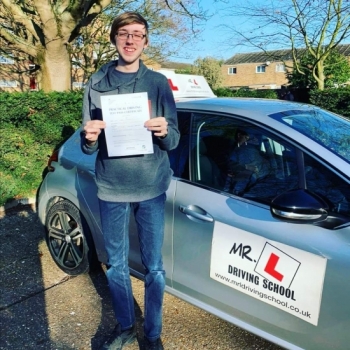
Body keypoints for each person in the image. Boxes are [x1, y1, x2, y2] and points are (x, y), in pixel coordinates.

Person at [81, 12, 180, 350]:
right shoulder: (95, 82)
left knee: (154, 268)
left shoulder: (158, 83)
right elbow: (87, 142)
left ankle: (152, 334)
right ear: (114, 38)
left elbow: (175, 139)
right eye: (124, 33)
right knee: (117, 265)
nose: (130, 40)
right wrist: (90, 138)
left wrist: (166, 131)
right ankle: (125, 327)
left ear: (146, 41)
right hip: (111, 187)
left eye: (138, 34)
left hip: (151, 186)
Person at [224, 130, 269, 194]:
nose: (246, 142)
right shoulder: (232, 149)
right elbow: (229, 165)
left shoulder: (242, 149)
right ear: (239, 135)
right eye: (246, 138)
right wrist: (247, 167)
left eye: (248, 139)